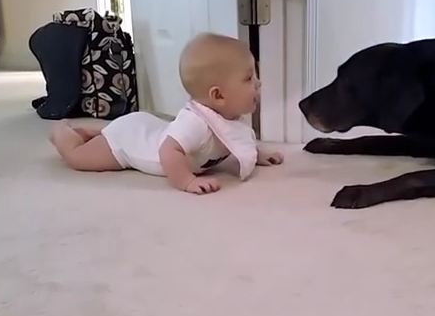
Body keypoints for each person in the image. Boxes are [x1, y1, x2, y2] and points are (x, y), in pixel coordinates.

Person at [48, 32, 284, 194]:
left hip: (146, 126)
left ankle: (92, 131)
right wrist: (187, 181)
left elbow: (233, 139)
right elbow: (167, 151)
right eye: (249, 78)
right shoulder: (196, 124)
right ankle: (63, 132)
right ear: (218, 96)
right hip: (129, 143)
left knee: (121, 131)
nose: (258, 83)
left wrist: (256, 154)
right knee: (79, 158)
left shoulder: (230, 117)